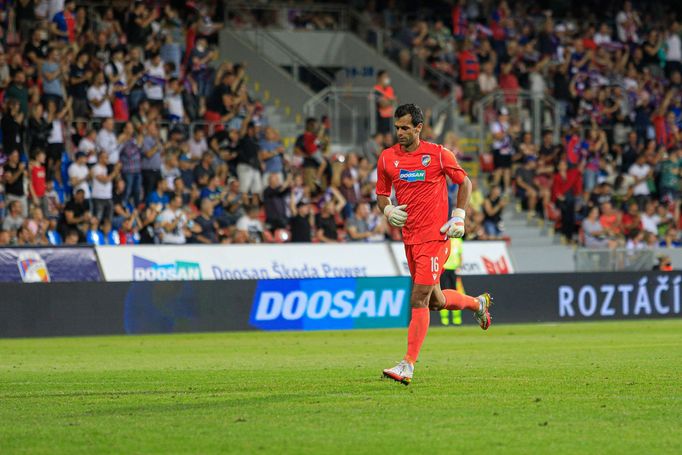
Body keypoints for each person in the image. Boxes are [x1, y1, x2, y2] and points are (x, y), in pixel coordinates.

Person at [376, 104, 492, 385]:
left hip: (435, 239)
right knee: (436, 302)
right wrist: (388, 211)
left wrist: (459, 216)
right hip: (410, 240)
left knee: (418, 298)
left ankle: (408, 365)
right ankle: (477, 304)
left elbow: (464, 183)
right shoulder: (387, 158)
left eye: (405, 128)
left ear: (418, 127)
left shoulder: (438, 154)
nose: (400, 133)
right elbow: (381, 193)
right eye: (397, 128)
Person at [439, 237, 464, 326]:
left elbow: (460, 255)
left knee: (456, 294)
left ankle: (456, 319)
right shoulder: (444, 239)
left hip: (454, 270)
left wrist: (459, 266)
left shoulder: (459, 240)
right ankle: (444, 319)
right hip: (444, 269)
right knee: (443, 293)